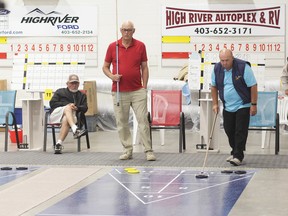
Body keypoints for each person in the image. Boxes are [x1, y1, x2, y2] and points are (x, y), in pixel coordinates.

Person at [102, 20, 156, 161]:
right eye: (124, 30)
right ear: (121, 30)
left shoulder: (140, 46)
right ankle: (127, 150)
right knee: (122, 122)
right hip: (119, 91)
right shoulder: (113, 46)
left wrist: (144, 86)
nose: (126, 32)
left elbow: (144, 67)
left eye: (129, 30)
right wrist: (112, 76)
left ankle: (148, 150)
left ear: (133, 31)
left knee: (143, 120)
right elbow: (105, 67)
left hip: (138, 91)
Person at [211, 49, 258, 166]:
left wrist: (253, 104)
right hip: (227, 106)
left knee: (240, 131)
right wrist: (215, 103)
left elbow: (253, 86)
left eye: (227, 60)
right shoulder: (217, 68)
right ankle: (235, 151)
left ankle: (238, 156)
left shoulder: (243, 67)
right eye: (222, 60)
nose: (224, 63)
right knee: (229, 129)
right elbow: (213, 86)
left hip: (243, 104)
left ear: (232, 57)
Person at [49, 74, 88, 154]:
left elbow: (85, 108)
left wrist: (77, 108)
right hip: (57, 114)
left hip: (72, 117)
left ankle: (58, 144)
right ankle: (75, 129)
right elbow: (52, 103)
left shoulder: (82, 95)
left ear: (78, 84)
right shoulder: (60, 92)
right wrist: (68, 105)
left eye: (76, 83)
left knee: (66, 119)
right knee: (68, 107)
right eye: (72, 83)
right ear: (67, 83)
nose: (74, 85)